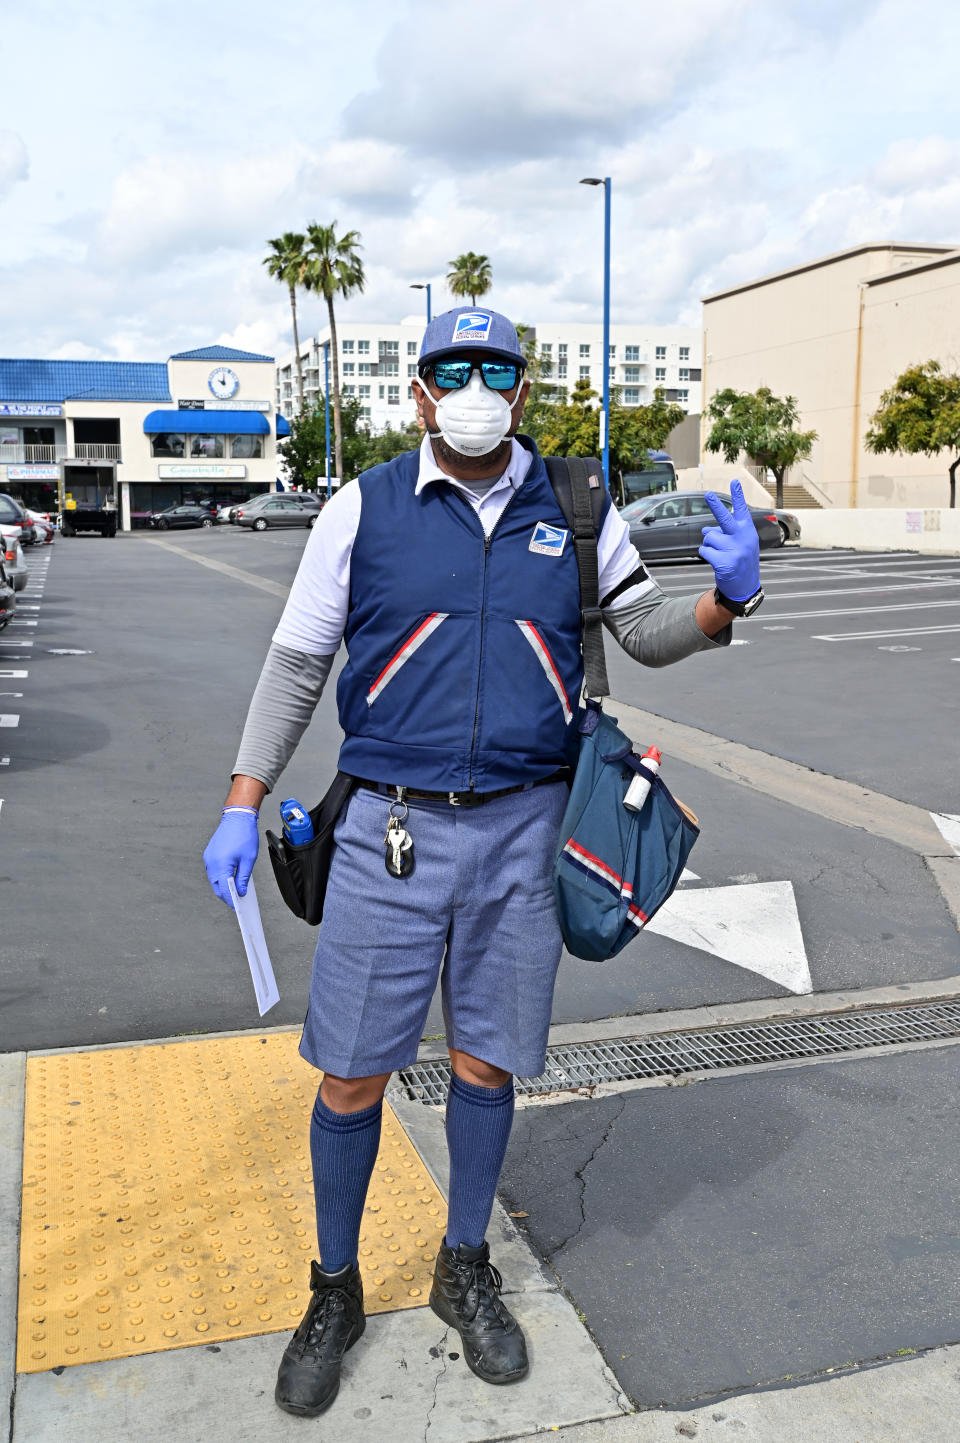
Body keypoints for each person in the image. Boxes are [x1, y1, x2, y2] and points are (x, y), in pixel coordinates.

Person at [202, 306, 763, 1419]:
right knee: (353, 1068)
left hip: (524, 828)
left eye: (493, 370)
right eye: (449, 369)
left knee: (488, 1063)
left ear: (520, 388)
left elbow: (644, 631)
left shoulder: (573, 502)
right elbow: (298, 665)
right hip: (388, 832)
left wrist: (724, 600)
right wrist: (241, 800)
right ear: (418, 391)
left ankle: (464, 1265)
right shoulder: (362, 509)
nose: (471, 386)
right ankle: (333, 1288)